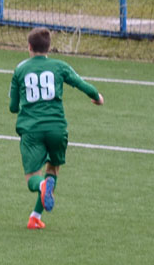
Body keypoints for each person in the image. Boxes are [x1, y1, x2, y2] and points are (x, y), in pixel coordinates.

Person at [9, 27, 104, 230]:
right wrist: (97, 96)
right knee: (53, 168)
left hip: (31, 129)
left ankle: (41, 186)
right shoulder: (60, 66)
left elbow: (13, 107)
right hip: (57, 128)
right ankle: (35, 217)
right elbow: (82, 84)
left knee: (33, 178)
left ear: (29, 47)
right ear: (48, 47)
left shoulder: (20, 70)